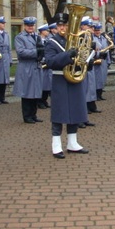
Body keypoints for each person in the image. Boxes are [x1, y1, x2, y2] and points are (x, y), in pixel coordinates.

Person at [44, 12, 89, 158]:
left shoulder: (75, 40)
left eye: (65, 25)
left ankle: (72, 142)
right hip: (60, 80)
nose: (63, 28)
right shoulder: (51, 42)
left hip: (75, 80)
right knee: (59, 113)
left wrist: (88, 59)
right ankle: (56, 145)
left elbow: (81, 60)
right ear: (56, 27)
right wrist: (67, 55)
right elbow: (50, 62)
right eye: (60, 25)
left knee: (75, 111)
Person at [13, 17, 44, 124]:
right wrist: (37, 52)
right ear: (25, 26)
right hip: (26, 67)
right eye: (28, 26)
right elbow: (21, 52)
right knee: (27, 93)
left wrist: (42, 55)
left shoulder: (37, 36)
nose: (30, 27)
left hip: (36, 66)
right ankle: (27, 116)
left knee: (35, 92)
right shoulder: (20, 37)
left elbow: (42, 51)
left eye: (32, 26)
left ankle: (34, 114)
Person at [92, 23, 111, 101]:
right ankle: (96, 94)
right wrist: (99, 54)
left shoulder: (103, 38)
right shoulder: (92, 38)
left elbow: (107, 49)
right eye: (96, 30)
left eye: (98, 30)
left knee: (102, 78)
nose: (97, 32)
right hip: (96, 60)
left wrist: (108, 60)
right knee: (97, 79)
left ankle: (100, 94)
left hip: (103, 60)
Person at [37, 24, 52, 109]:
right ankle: (40, 101)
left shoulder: (47, 40)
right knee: (41, 84)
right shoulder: (38, 40)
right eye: (46, 30)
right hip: (41, 64)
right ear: (42, 31)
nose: (48, 32)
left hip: (47, 64)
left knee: (47, 84)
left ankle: (44, 100)